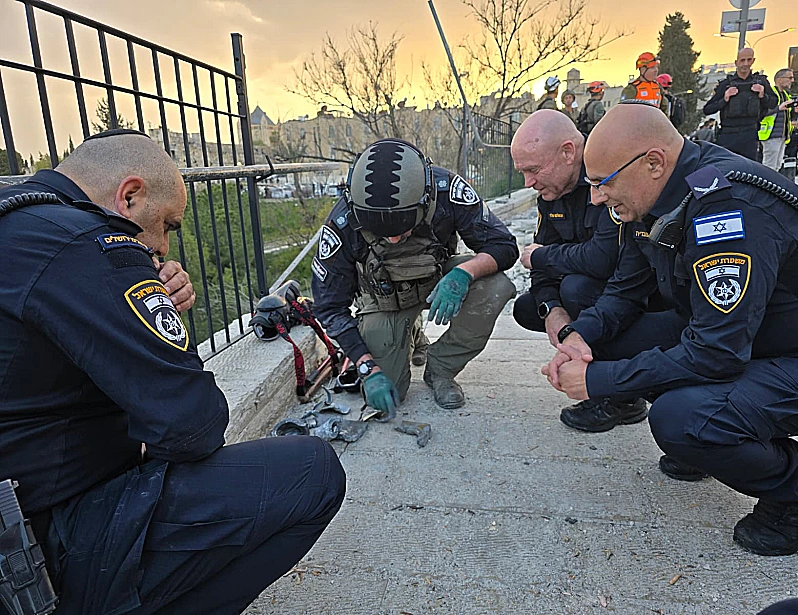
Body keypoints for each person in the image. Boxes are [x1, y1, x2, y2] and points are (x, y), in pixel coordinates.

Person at [0, 129, 346, 614]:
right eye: (166, 224)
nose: (162, 246)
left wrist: (145, 309)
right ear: (130, 196)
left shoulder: (18, 216)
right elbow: (194, 425)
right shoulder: (88, 245)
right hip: (37, 554)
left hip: (20, 512)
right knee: (313, 473)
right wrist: (140, 293)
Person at [546, 103, 798, 557]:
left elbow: (716, 354)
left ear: (652, 163)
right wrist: (580, 336)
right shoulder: (663, 195)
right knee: (608, 342)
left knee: (681, 418)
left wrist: (597, 382)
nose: (594, 198)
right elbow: (624, 290)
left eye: (602, 182)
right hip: (757, 338)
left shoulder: (725, 209)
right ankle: (722, 443)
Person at [311, 138, 518, 413]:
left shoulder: (445, 191)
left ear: (425, 198)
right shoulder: (342, 222)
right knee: (389, 394)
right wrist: (365, 366)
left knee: (495, 287)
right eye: (385, 233)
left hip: (438, 281)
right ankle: (411, 333)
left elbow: (504, 246)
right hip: (383, 298)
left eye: (404, 228)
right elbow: (330, 307)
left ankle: (441, 369)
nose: (395, 240)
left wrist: (463, 274)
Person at [510, 109, 647, 432]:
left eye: (533, 170)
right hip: (596, 292)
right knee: (529, 307)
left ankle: (620, 395)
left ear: (568, 153)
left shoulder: (604, 178)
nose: (528, 183)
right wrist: (551, 312)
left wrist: (544, 257)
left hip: (633, 294)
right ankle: (591, 362)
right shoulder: (551, 193)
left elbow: (602, 257)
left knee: (575, 288)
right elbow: (539, 268)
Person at [703, 47, 778, 161]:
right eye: (742, 60)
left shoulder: (760, 82)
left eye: (749, 60)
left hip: (750, 135)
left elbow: (773, 103)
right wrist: (725, 99)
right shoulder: (726, 84)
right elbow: (707, 109)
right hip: (728, 135)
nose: (745, 64)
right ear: (736, 62)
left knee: (750, 172)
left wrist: (762, 95)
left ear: (753, 61)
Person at [759, 68, 798, 171]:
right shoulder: (770, 94)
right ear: (779, 79)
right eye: (790, 77)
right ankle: (767, 186)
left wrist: (796, 111)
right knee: (769, 166)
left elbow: (787, 115)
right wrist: (778, 108)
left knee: (777, 166)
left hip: (782, 136)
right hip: (770, 135)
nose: (792, 80)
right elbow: (761, 112)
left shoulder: (786, 95)